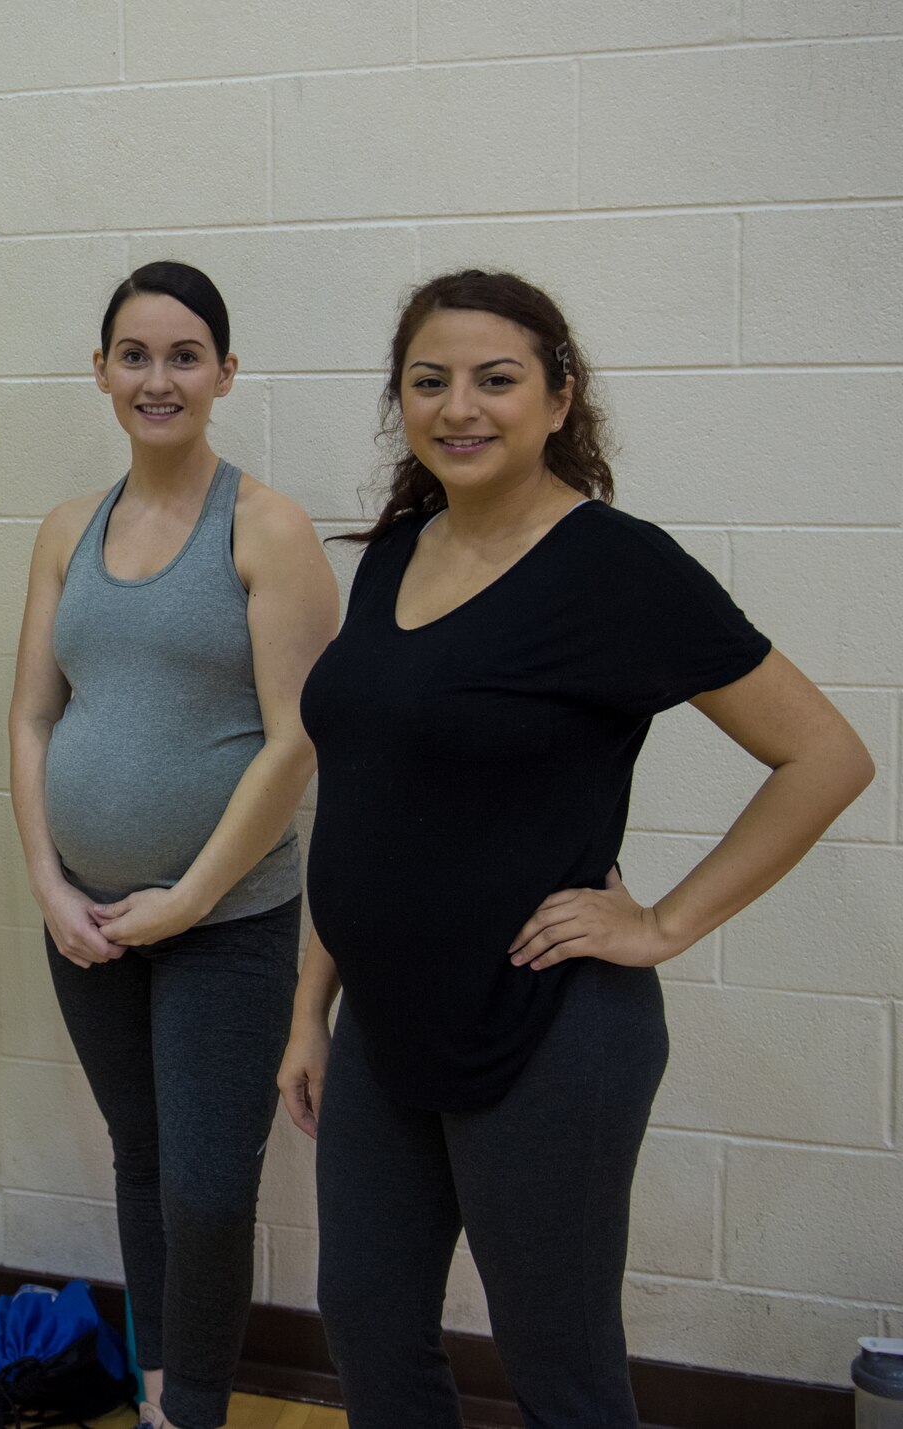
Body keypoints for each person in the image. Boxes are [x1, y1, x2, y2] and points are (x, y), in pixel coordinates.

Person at [279, 269, 874, 1428]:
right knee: (363, 1322)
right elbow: (361, 798)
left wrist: (660, 923)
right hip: (380, 1024)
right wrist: (311, 1006)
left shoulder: (616, 567)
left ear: (558, 398)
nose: (460, 406)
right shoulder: (395, 551)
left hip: (547, 1031)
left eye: (495, 379)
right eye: (428, 380)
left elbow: (824, 758)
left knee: (556, 1367)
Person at [8, 262, 339, 1429]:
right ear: (99, 372)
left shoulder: (268, 528)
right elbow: (33, 714)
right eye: (134, 356)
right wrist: (49, 883)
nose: (158, 378)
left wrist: (191, 897)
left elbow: (297, 741)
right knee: (142, 1163)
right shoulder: (64, 531)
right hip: (87, 922)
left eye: (183, 355)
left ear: (225, 374)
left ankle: (189, 1406)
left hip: (226, 924)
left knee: (205, 1189)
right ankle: (155, 1387)